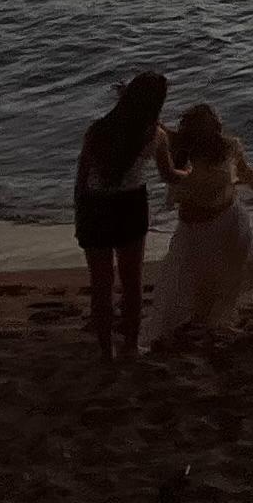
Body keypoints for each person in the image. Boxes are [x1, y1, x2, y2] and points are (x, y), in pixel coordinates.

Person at [146, 104, 253, 345]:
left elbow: (244, 171)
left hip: (228, 221)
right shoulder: (180, 148)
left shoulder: (228, 147)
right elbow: (155, 125)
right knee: (179, 280)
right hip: (192, 228)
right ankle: (182, 327)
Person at [72, 71, 169, 361]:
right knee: (131, 282)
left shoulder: (98, 130)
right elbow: (168, 174)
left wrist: (80, 210)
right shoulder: (154, 135)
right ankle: (130, 346)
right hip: (129, 205)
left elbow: (82, 176)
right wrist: (189, 174)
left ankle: (106, 351)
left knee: (101, 285)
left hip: (94, 206)